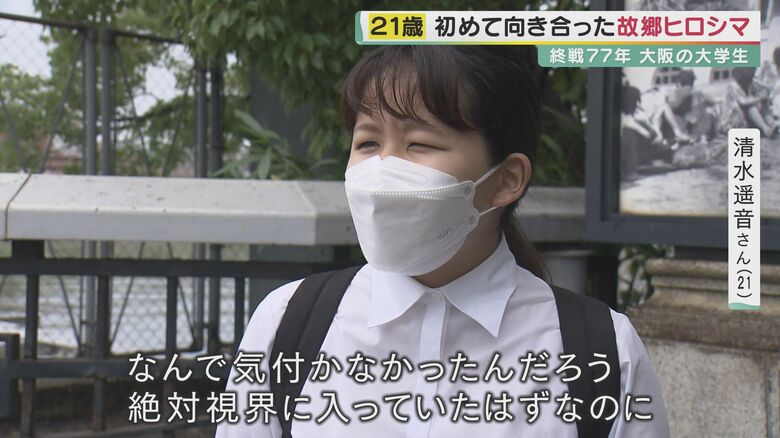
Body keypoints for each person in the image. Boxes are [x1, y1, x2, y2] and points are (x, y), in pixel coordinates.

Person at [216, 46, 670, 437]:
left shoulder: (601, 351)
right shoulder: (287, 323)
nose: (383, 172)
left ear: (506, 180)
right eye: (368, 143)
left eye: (419, 144)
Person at [720, 66, 779, 138]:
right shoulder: (732, 86)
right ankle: (765, 129)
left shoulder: (749, 83)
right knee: (750, 106)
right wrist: (759, 98)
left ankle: (771, 123)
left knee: (762, 100)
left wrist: (762, 92)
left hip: (744, 117)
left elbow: (769, 89)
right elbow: (743, 101)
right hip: (732, 120)